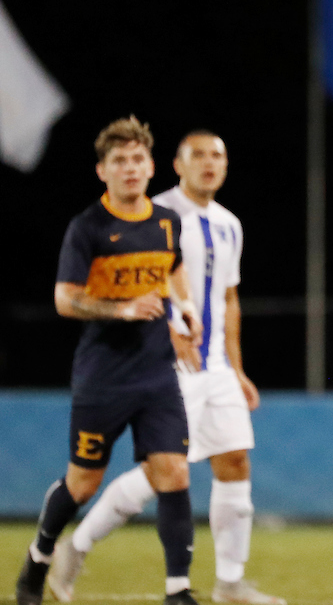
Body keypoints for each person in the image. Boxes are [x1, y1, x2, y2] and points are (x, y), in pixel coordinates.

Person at [48, 131, 285, 605]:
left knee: (235, 458)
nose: (208, 163)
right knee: (160, 475)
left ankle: (230, 583)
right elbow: (147, 282)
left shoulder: (228, 224)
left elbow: (229, 298)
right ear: (175, 164)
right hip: (166, 362)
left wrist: (236, 370)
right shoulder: (154, 213)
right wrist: (170, 329)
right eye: (197, 155)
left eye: (217, 155)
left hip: (214, 363)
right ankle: (75, 547)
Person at [15, 116, 202, 605]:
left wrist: (185, 309)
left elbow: (173, 266)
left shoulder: (166, 220)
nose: (130, 168)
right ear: (103, 171)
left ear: (151, 166)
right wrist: (121, 309)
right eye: (119, 161)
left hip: (157, 372)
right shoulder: (88, 228)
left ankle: (178, 589)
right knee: (83, 482)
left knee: (174, 472)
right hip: (103, 376)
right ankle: (38, 559)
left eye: (138, 159)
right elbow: (64, 298)